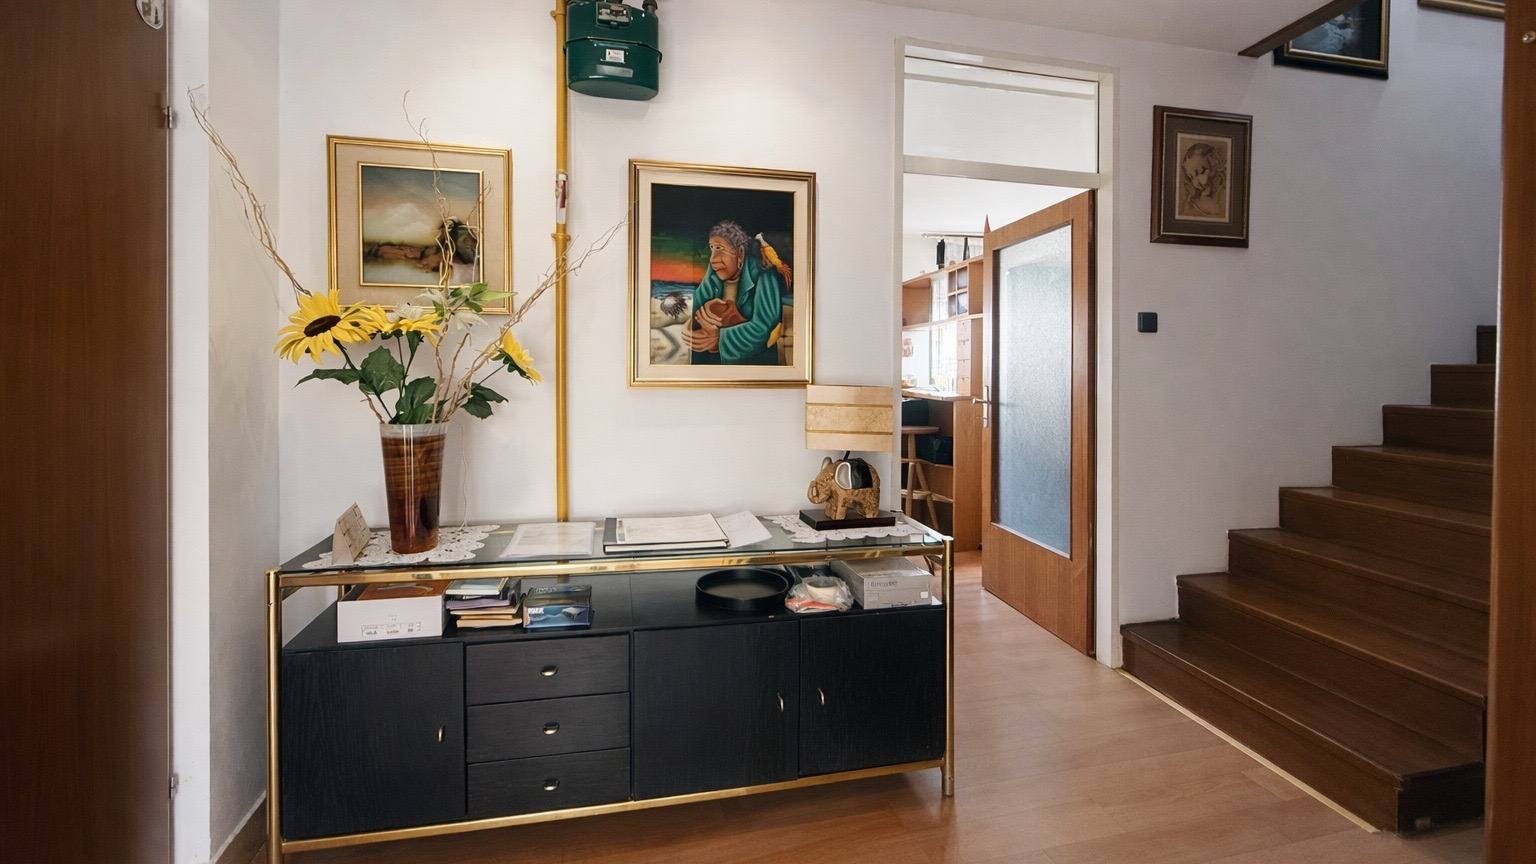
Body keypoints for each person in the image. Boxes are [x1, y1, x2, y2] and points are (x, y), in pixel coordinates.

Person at [681, 221, 785, 365]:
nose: (713, 259)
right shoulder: (714, 271)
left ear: (740, 253)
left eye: (719, 248)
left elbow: (764, 328)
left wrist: (720, 339)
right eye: (712, 248)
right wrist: (691, 325)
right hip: (709, 359)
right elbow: (696, 306)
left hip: (753, 363)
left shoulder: (763, 273)